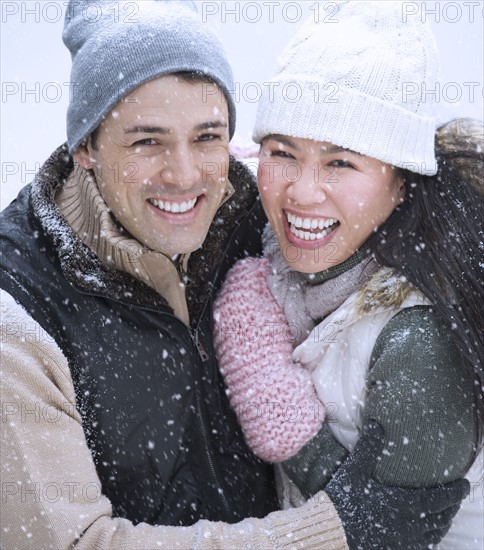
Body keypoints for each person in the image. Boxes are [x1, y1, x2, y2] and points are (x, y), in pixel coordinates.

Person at [0, 1, 470, 549]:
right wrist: (331, 532)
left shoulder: (258, 221)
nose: (183, 176)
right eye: (147, 141)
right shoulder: (20, 313)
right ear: (85, 145)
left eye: (206, 137)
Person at [213, 2, 484, 549]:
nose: (302, 192)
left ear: (401, 182)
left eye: (342, 163)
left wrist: (273, 397)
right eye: (282, 152)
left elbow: (389, 532)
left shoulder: (418, 340)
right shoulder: (293, 251)